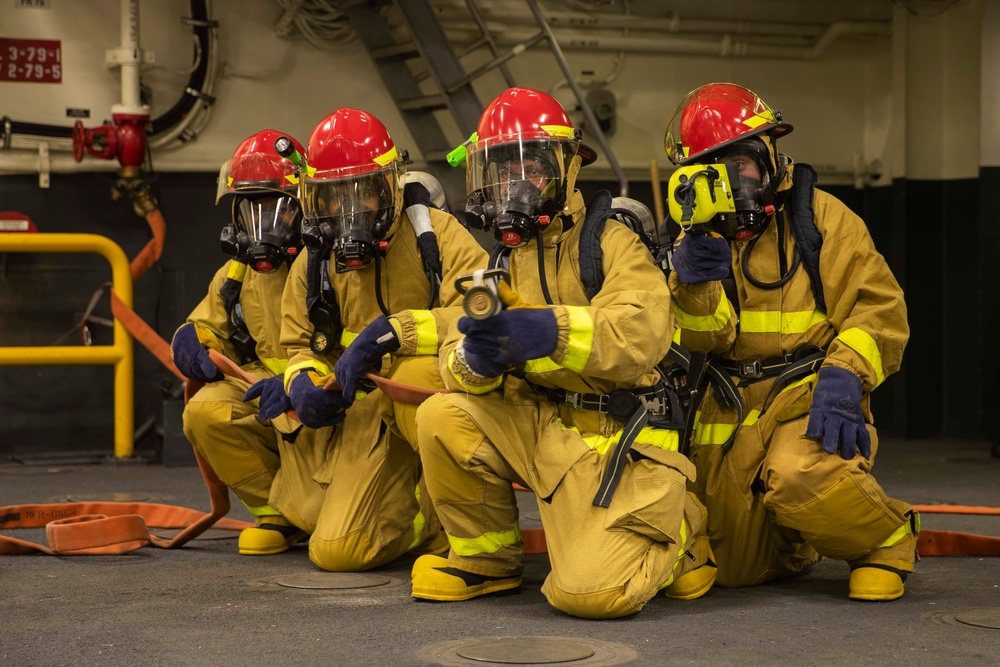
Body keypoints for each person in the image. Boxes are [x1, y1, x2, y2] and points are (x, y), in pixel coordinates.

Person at [410, 87, 715, 620]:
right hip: (549, 429)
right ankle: (487, 563)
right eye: (501, 172)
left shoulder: (611, 243)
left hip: (621, 436)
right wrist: (474, 363)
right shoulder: (503, 259)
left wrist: (550, 332)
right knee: (442, 413)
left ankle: (683, 528)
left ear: (567, 170)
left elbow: (641, 334)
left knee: (589, 597)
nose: (513, 186)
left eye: (531, 170)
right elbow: (455, 357)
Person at [663, 82, 916, 600]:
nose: (736, 180)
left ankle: (885, 539)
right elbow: (706, 339)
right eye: (717, 168)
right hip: (728, 403)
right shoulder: (698, 237)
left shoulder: (822, 219)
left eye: (744, 161)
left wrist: (845, 373)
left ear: (771, 153)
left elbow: (880, 308)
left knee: (799, 473)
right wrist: (691, 285)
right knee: (731, 568)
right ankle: (793, 538)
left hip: (806, 393)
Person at [274, 108, 488, 571]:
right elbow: (296, 343)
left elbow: (487, 309)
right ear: (316, 201)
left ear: (387, 188)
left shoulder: (440, 235)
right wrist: (303, 382)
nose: (347, 213)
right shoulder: (314, 261)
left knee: (341, 552)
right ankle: (416, 515)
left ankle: (434, 512)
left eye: (363, 194)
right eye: (333, 198)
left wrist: (401, 333)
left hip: (425, 396)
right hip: (361, 414)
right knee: (327, 540)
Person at [171, 129, 315, 556]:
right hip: (271, 406)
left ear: (304, 207)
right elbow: (207, 323)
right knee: (204, 412)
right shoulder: (238, 274)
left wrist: (302, 384)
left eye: (275, 207)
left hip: (327, 407)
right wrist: (191, 341)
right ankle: (277, 514)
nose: (262, 224)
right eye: (250, 208)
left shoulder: (327, 268)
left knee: (342, 541)